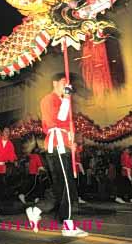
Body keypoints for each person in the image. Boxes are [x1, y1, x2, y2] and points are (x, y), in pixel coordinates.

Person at [25, 73, 88, 237]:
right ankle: (67, 224)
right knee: (66, 184)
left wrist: (72, 141)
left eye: (68, 83)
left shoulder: (63, 101)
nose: (66, 85)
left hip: (64, 145)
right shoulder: (48, 99)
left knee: (61, 185)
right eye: (63, 82)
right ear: (54, 83)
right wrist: (67, 98)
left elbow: (67, 125)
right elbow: (57, 120)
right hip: (56, 144)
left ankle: (37, 209)